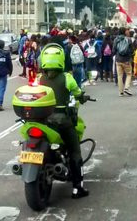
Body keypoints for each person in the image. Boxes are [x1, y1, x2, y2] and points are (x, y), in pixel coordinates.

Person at [37, 43, 90, 199]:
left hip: (44, 121)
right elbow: (77, 92)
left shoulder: (40, 78)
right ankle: (77, 188)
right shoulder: (67, 78)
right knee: (75, 151)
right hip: (62, 121)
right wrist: (82, 96)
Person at [113, 28, 134, 96]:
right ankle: (126, 88)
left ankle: (120, 92)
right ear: (124, 32)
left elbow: (114, 50)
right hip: (126, 60)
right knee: (129, 74)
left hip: (118, 59)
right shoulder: (128, 39)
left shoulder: (116, 39)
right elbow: (131, 50)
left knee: (119, 75)